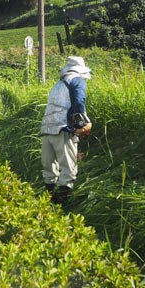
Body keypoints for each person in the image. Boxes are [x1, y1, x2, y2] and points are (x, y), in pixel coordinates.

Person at [40, 56, 92, 204]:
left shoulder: (58, 84)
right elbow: (79, 100)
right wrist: (80, 123)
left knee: (49, 169)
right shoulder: (77, 81)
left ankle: (47, 201)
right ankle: (62, 204)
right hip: (63, 129)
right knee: (68, 169)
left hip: (47, 129)